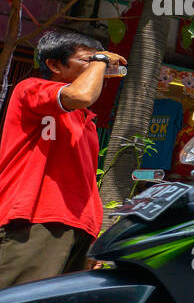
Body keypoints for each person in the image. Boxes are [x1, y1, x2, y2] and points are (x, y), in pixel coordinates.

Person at [0, 30, 125, 289]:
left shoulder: (85, 120)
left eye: (97, 61)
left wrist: (92, 238)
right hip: (34, 219)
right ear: (54, 65)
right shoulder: (31, 88)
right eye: (87, 60)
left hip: (79, 227)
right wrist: (102, 60)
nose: (97, 67)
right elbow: (81, 95)